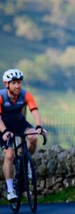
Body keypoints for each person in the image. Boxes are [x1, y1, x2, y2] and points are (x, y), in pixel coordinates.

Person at [1, 68, 46, 203]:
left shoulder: (25, 95)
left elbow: (34, 110)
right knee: (9, 155)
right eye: (14, 83)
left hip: (19, 122)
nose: (17, 86)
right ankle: (10, 190)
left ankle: (25, 162)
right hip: (3, 126)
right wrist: (5, 131)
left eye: (19, 82)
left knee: (33, 137)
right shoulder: (1, 97)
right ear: (6, 84)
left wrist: (39, 127)